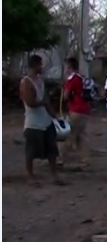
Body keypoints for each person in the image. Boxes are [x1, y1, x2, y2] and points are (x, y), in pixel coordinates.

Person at [21, 54, 63, 184]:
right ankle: (30, 177)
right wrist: (44, 103)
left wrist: (54, 116)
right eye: (40, 64)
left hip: (46, 121)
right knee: (30, 152)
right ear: (34, 65)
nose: (42, 67)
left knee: (52, 150)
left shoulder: (40, 81)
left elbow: (46, 100)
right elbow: (30, 102)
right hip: (33, 123)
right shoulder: (26, 82)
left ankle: (55, 176)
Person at [62, 56, 91, 166]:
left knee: (69, 134)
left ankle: (61, 157)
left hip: (76, 109)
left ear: (70, 67)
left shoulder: (72, 79)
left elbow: (65, 96)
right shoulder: (82, 78)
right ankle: (85, 158)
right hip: (84, 109)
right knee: (81, 135)